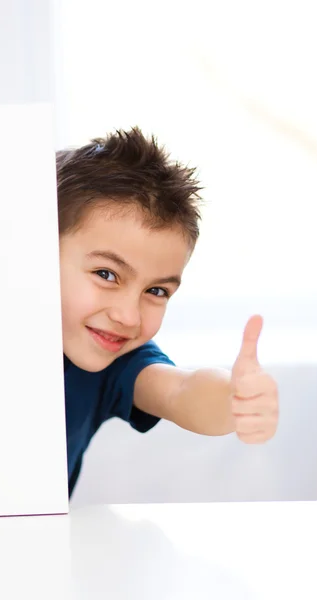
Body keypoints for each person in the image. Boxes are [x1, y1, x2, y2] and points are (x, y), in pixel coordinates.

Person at [57, 127, 279, 497]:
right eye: (107, 274)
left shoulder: (114, 359)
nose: (128, 316)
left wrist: (233, 401)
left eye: (156, 291)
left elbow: (180, 391)